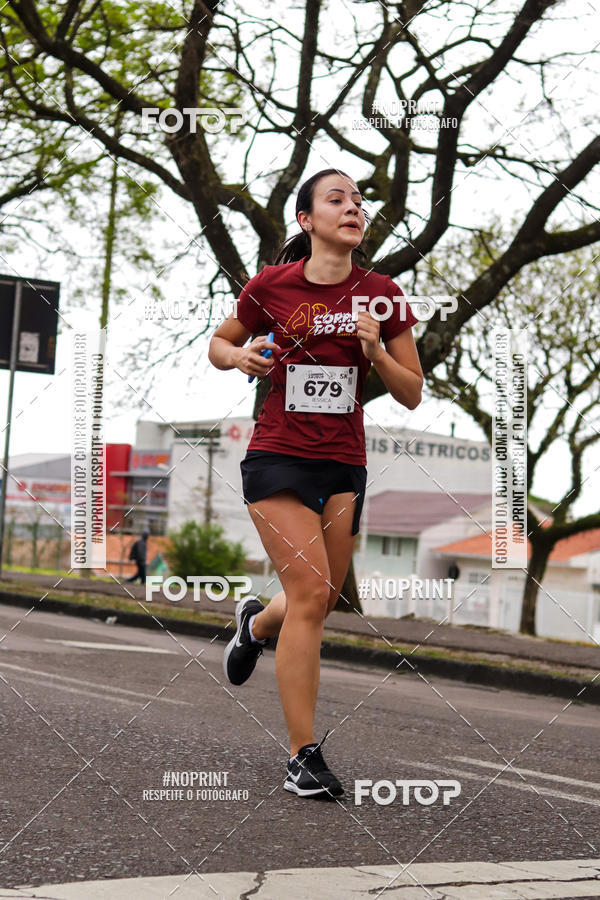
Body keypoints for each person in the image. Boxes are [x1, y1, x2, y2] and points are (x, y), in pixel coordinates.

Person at [208, 168, 423, 800]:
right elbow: (221, 342)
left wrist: (377, 353)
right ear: (307, 220)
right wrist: (240, 357)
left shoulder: (382, 293)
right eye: (338, 199)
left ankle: (253, 626)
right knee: (310, 593)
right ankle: (303, 756)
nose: (354, 207)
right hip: (276, 456)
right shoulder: (271, 285)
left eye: (358, 200)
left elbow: (411, 391)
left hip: (342, 462)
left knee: (322, 598)